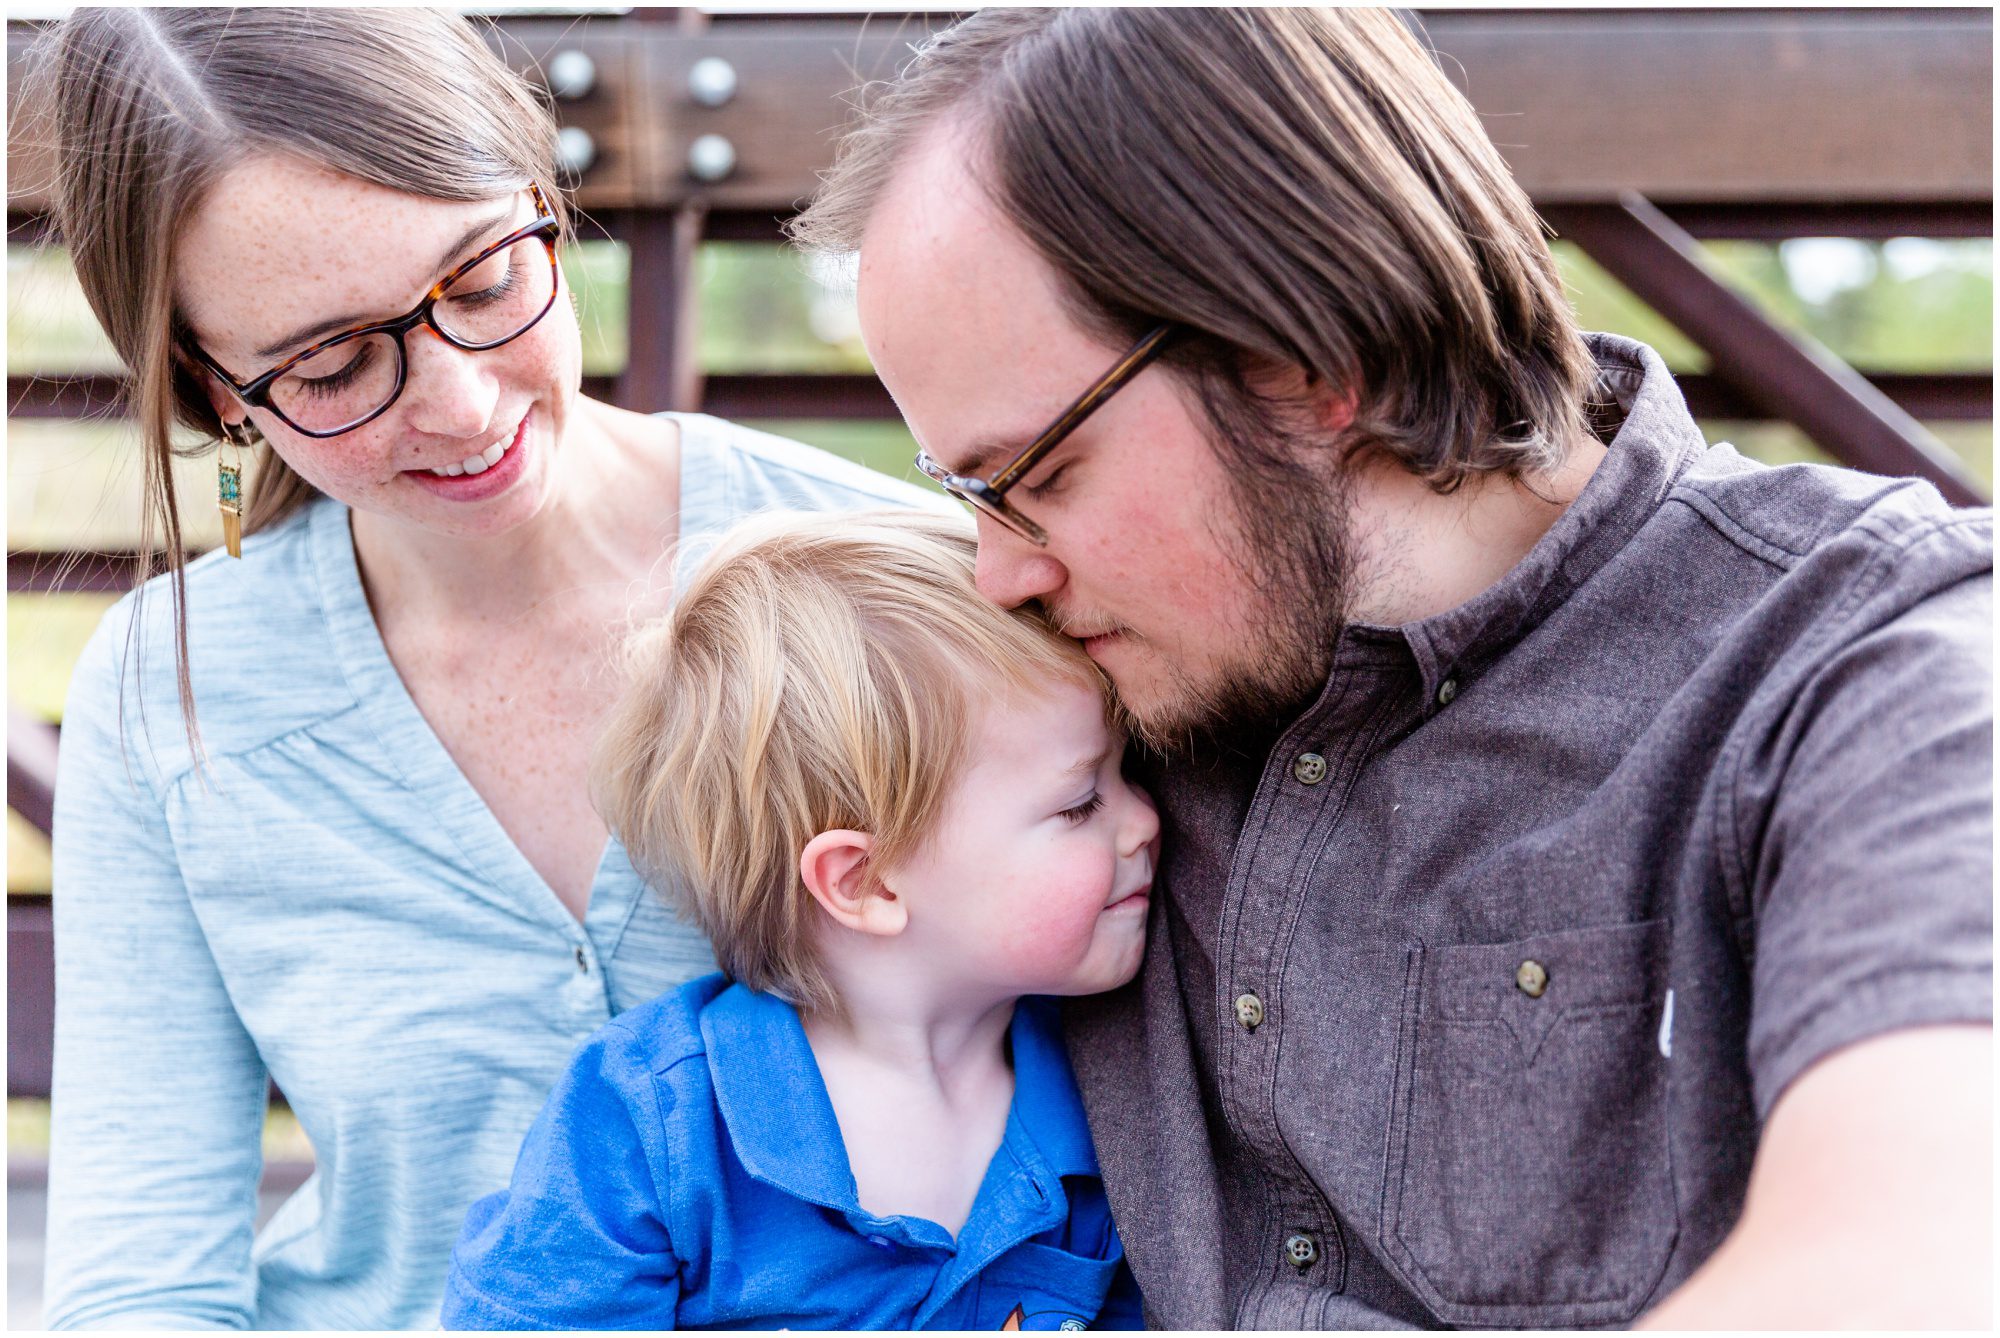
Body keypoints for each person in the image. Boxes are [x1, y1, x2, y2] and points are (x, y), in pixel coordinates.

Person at [788, 7, 1995, 1330]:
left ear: (1307, 365)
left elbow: (1904, 1258)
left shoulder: (1876, 664)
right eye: (963, 494)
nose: (998, 574)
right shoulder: (1063, 705)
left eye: (1038, 478)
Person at [36, 9, 946, 1330]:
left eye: (480, 279)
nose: (462, 404)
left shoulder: (897, 580)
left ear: (539, 197)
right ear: (211, 385)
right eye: (332, 362)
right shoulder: (162, 689)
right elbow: (140, 1282)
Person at [438, 509, 1152, 1329]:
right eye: (1080, 802)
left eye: (1128, 774)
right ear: (867, 882)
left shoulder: (1112, 1085)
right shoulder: (654, 1123)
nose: (1143, 822)